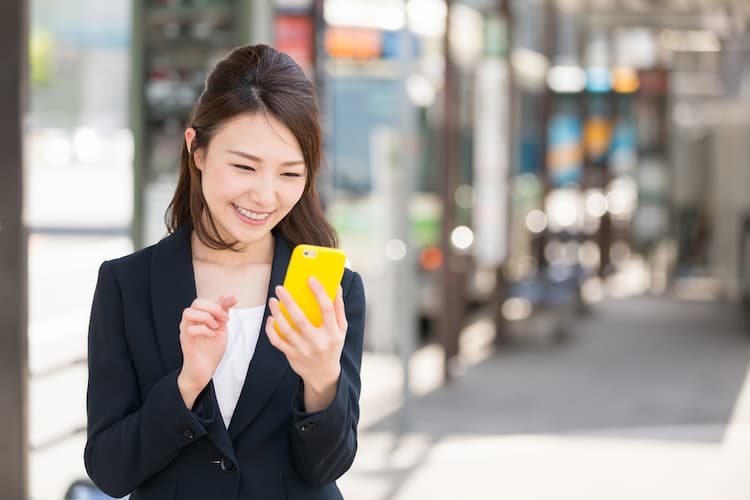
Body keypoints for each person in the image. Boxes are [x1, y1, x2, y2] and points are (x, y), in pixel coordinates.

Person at [84, 44, 366, 500]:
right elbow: (109, 470)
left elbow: (327, 467)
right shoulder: (128, 284)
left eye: (290, 174)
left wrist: (322, 379)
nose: (265, 196)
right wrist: (186, 384)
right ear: (197, 149)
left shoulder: (332, 289)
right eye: (244, 167)